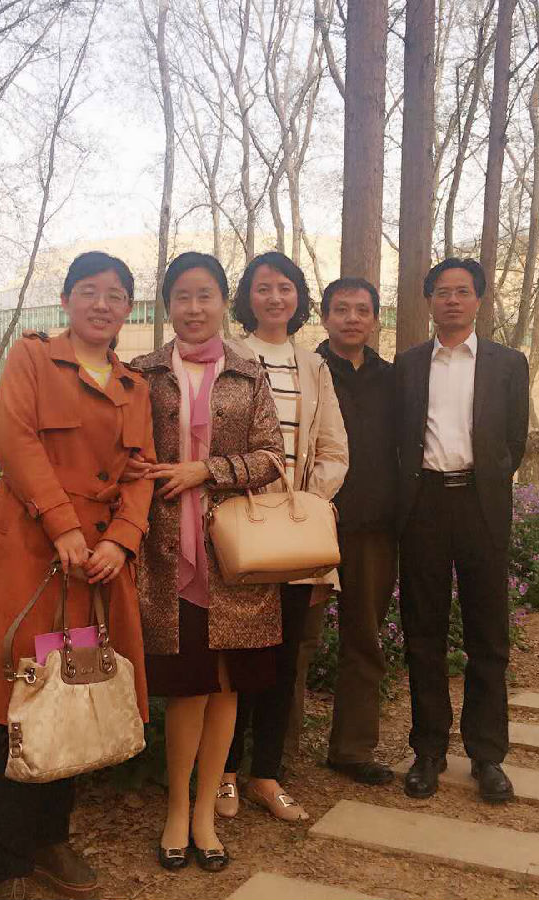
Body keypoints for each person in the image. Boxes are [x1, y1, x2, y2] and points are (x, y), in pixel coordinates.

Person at [0, 252, 155, 900]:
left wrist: (122, 540)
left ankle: (51, 840)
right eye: (89, 291)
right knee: (23, 696)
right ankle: (9, 863)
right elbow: (15, 443)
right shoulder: (33, 358)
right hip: (34, 555)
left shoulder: (135, 386)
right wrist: (63, 526)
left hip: (96, 567)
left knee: (77, 689)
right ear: (67, 300)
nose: (102, 304)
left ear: (128, 309)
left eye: (116, 295)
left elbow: (141, 474)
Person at [130, 251, 286, 873]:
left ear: (224, 302)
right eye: (182, 297)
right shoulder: (142, 375)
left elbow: (271, 458)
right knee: (187, 688)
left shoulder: (248, 374)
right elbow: (122, 454)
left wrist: (206, 471)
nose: (194, 309)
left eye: (205, 296)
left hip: (234, 558)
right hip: (167, 554)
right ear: (167, 304)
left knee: (226, 687)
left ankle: (204, 813)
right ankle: (176, 809)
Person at [219, 251, 349, 823]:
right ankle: (223, 773)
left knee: (283, 662)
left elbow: (334, 447)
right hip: (241, 530)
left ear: (299, 298)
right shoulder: (228, 356)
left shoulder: (313, 365)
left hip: (294, 535)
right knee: (236, 659)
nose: (275, 298)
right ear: (247, 297)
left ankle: (265, 776)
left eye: (285, 288)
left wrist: (306, 501)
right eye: (263, 287)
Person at [395, 257, 529, 804]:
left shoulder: (507, 363)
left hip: (481, 505)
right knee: (423, 632)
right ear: (429, 300)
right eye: (443, 292)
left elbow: (514, 440)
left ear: (478, 300)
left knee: (488, 635)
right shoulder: (408, 364)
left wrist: (489, 479)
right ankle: (428, 750)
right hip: (424, 504)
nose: (452, 300)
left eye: (462, 291)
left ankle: (487, 755)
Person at [315, 276, 399, 785]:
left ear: (375, 320)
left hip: (373, 528)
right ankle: (272, 760)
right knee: (296, 644)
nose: (351, 318)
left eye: (361, 310)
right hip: (309, 526)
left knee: (364, 640)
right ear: (324, 317)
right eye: (341, 309)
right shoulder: (308, 370)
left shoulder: (394, 379)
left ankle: (352, 749)